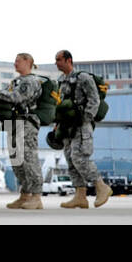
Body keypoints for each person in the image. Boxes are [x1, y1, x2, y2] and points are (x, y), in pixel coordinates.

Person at [0, 53, 43, 209]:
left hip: (26, 123)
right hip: (14, 123)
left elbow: (17, 98)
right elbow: (6, 98)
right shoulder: (15, 82)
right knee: (17, 161)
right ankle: (25, 195)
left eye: (18, 61)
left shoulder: (31, 81)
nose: (15, 64)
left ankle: (36, 196)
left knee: (29, 159)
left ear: (27, 62)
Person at [53, 50, 110, 208]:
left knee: (80, 158)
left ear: (68, 60)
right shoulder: (61, 80)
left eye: (59, 59)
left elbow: (94, 99)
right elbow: (61, 103)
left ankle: (101, 186)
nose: (56, 63)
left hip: (81, 125)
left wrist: (86, 118)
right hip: (66, 126)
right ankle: (80, 196)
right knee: (71, 160)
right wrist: (58, 122)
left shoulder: (83, 77)